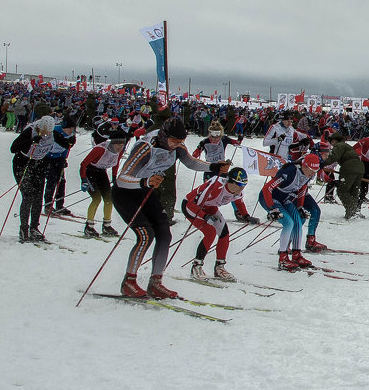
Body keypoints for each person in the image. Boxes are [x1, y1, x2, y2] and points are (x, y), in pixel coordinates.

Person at [113, 116, 227, 299]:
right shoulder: (145, 146)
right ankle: (129, 281)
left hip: (146, 191)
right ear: (164, 135)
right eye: (174, 141)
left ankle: (156, 282)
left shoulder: (177, 146)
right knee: (145, 235)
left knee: (165, 234)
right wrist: (144, 181)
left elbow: (190, 162)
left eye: (181, 141)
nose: (177, 145)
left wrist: (214, 166)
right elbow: (122, 179)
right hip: (126, 193)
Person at [182, 167, 248, 282]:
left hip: (210, 207)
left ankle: (219, 268)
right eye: (238, 184)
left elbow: (239, 203)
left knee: (224, 233)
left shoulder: (238, 192)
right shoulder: (216, 188)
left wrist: (246, 216)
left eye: (244, 184)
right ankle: (196, 267)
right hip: (191, 206)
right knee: (210, 233)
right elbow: (192, 204)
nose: (241, 188)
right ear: (230, 181)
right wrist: (204, 216)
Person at [259, 152, 323, 271]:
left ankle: (296, 254)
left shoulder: (306, 175)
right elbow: (267, 188)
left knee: (298, 221)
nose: (313, 173)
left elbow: (302, 190)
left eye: (315, 170)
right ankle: (283, 258)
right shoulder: (289, 172)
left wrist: (300, 207)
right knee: (289, 223)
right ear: (304, 166)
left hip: (285, 199)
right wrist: (272, 208)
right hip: (270, 198)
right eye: (311, 170)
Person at [10, 115, 66, 243]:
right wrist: (31, 141)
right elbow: (13, 148)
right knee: (28, 195)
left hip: (39, 165)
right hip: (22, 164)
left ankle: (34, 228)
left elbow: (64, 143)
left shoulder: (52, 133)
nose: (46, 134)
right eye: (44, 131)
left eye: (49, 132)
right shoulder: (30, 131)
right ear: (40, 127)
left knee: (38, 197)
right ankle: (23, 228)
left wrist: (70, 142)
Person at [78, 124, 129, 238]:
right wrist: (83, 179)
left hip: (101, 173)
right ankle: (89, 226)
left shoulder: (119, 151)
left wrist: (114, 178)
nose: (120, 147)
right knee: (96, 199)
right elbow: (84, 164)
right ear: (113, 142)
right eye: (118, 144)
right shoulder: (100, 149)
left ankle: (106, 225)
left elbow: (115, 164)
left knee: (109, 199)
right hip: (90, 172)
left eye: (122, 144)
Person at [324, 133, 365, 220]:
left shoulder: (339, 146)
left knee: (342, 190)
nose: (331, 144)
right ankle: (354, 211)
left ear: (335, 140)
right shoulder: (346, 146)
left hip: (349, 167)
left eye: (331, 141)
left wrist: (322, 163)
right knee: (353, 190)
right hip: (360, 167)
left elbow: (333, 157)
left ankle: (352, 210)